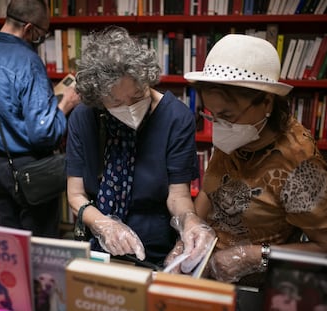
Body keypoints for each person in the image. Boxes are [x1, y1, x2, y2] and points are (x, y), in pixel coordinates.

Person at [183, 34, 327, 286]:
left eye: (227, 115)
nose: (220, 126)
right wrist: (190, 233)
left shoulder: (299, 162)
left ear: (266, 102)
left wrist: (254, 256)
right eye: (213, 115)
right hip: (208, 273)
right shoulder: (238, 133)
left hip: (260, 285)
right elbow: (210, 192)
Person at [66, 26, 215, 268]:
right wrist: (104, 225)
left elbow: (178, 195)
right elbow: (75, 194)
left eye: (137, 97)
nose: (129, 107)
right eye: (115, 101)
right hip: (97, 249)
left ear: (145, 80)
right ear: (98, 98)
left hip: (154, 252)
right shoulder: (84, 117)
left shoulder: (175, 118)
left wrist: (189, 220)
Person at [0, 0, 80, 237]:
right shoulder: (27, 60)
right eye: (41, 33)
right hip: (33, 167)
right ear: (28, 29)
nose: (40, 39)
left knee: (10, 246)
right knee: (39, 249)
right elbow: (44, 133)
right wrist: (66, 103)